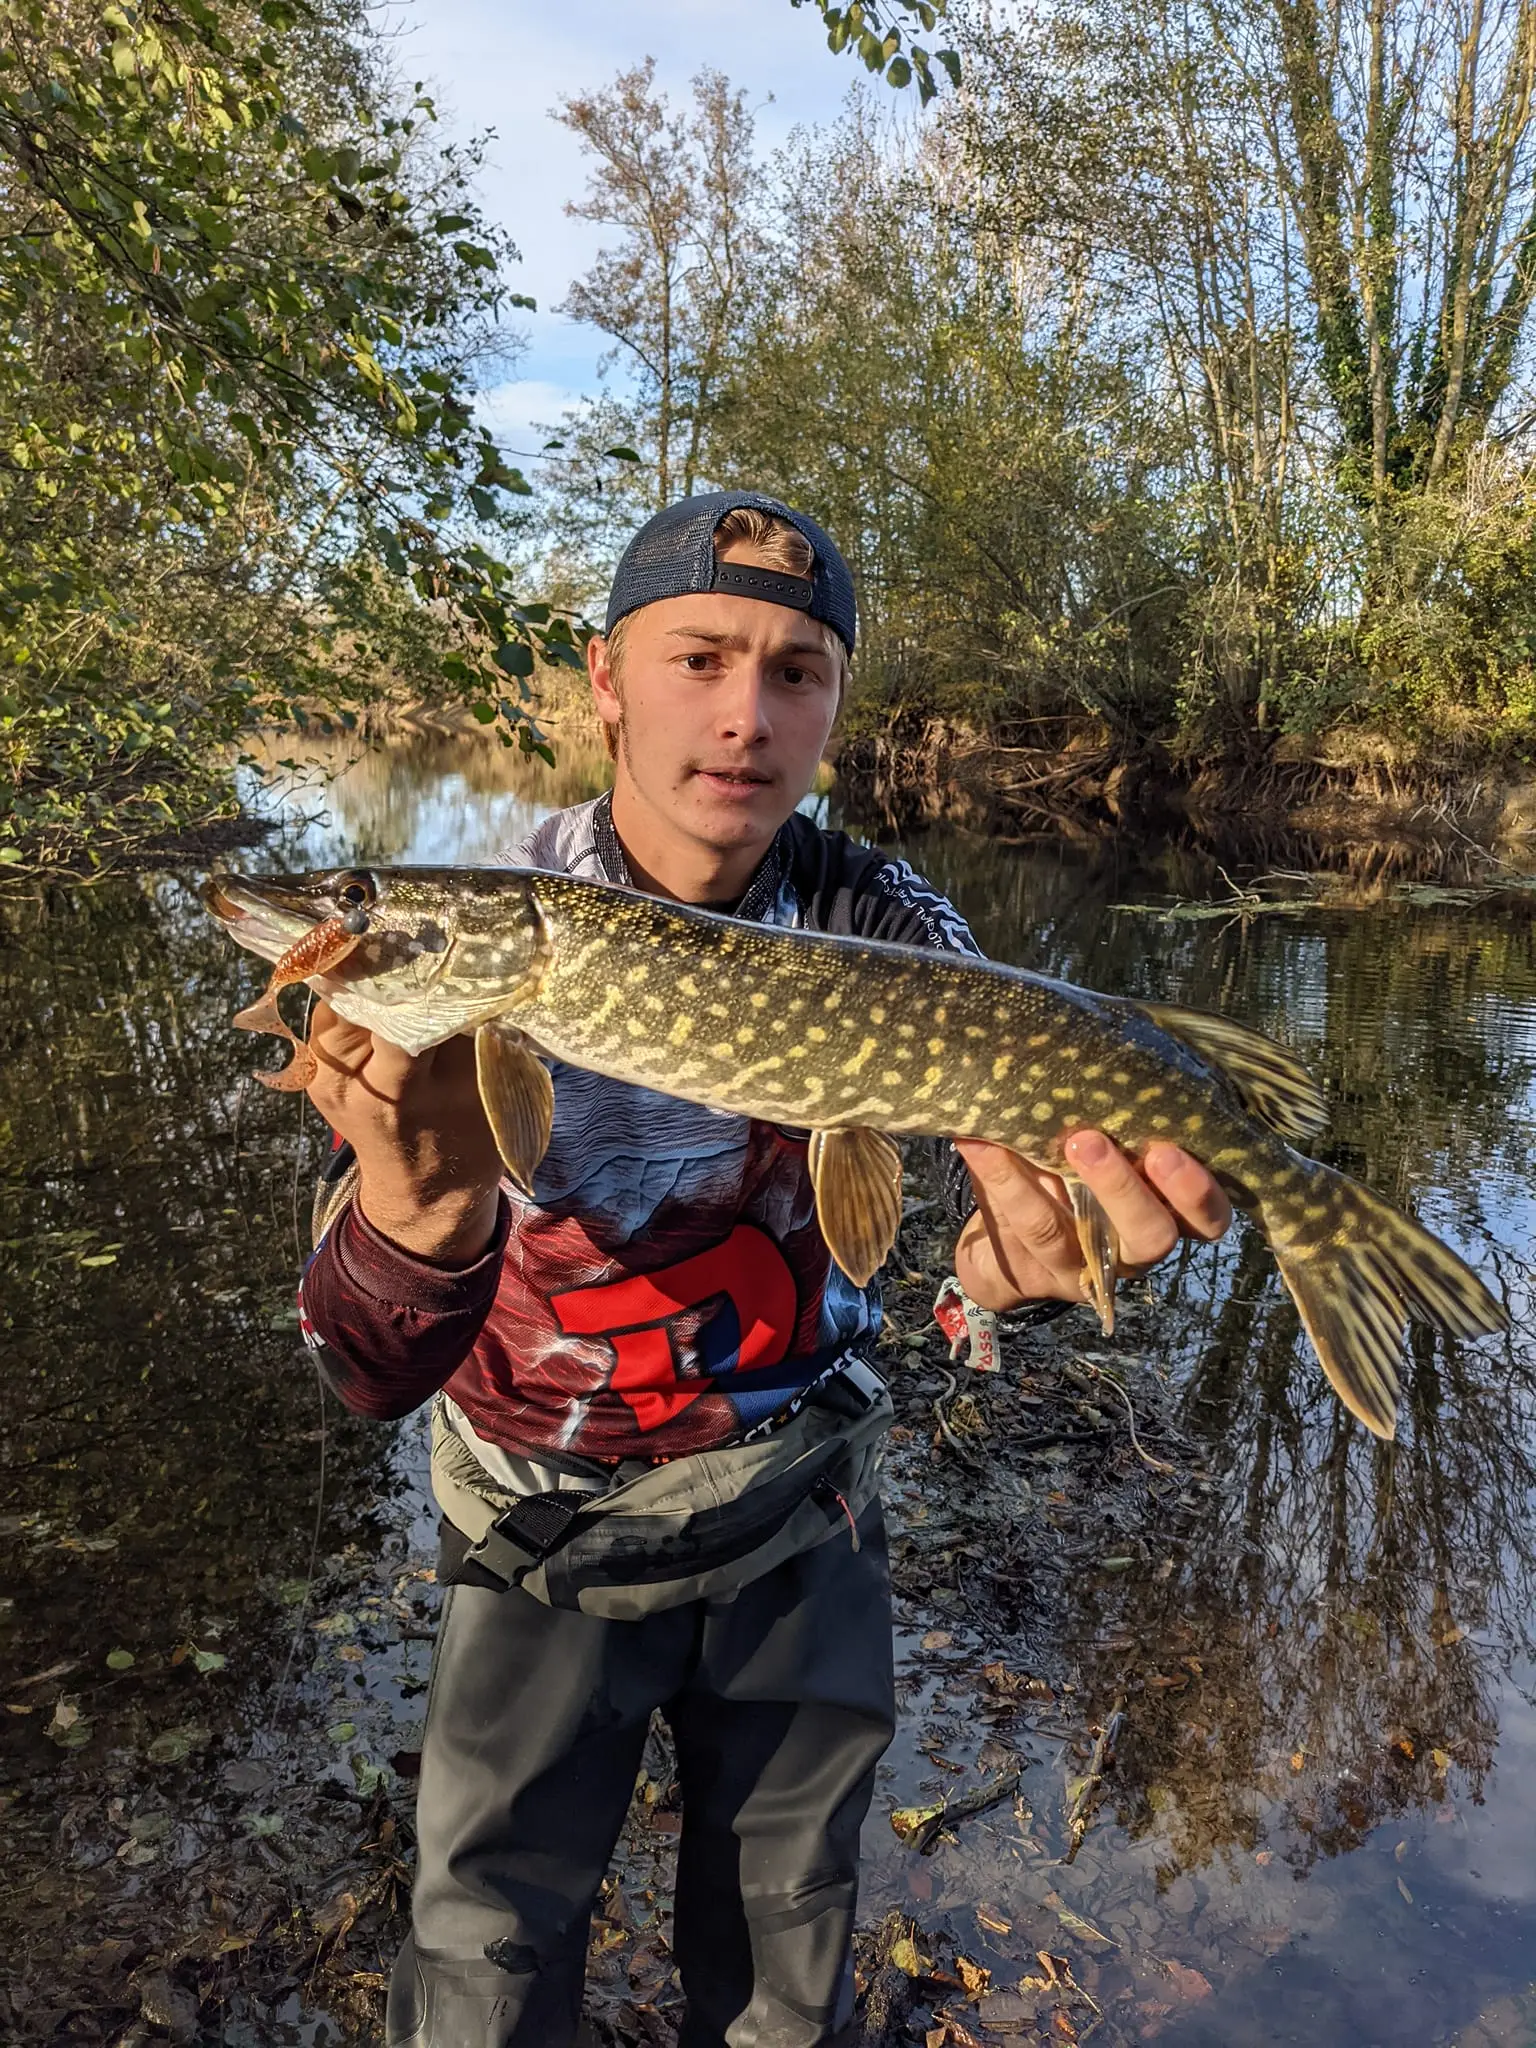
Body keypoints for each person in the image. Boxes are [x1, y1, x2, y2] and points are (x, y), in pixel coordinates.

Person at [296, 491, 1232, 2048]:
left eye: (795, 671)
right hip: (537, 1531)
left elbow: (983, 1228)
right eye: (700, 659)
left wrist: (1012, 1268)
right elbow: (365, 1370)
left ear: (837, 706)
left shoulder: (885, 923)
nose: (745, 717)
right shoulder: (472, 929)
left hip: (802, 1509)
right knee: (484, 1962)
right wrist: (418, 1208)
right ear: (605, 682)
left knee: (789, 1956)